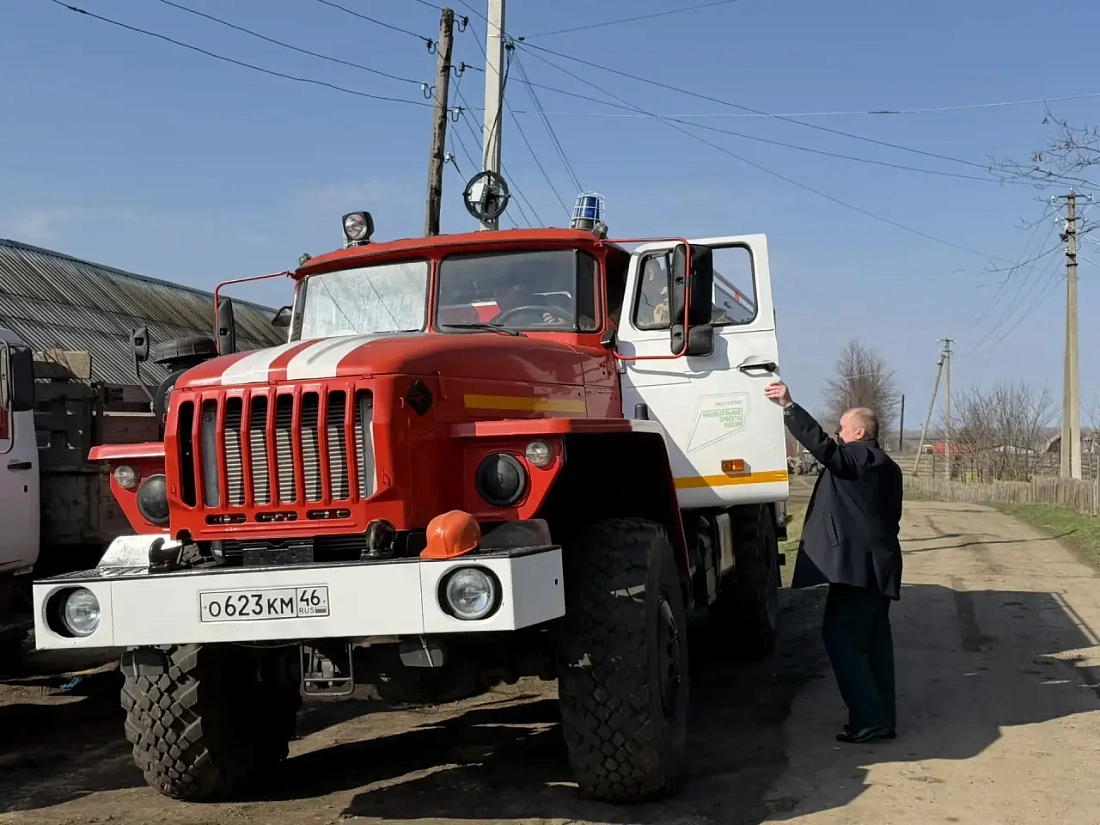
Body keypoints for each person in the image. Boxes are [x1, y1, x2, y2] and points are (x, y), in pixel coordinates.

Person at [764, 381, 904, 744]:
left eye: (843, 427)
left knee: (840, 636)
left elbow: (826, 449)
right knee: (874, 644)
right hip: (876, 570)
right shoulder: (887, 466)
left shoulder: (861, 457)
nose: (838, 433)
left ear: (859, 431)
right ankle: (880, 719)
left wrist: (789, 406)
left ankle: (869, 719)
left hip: (859, 572)